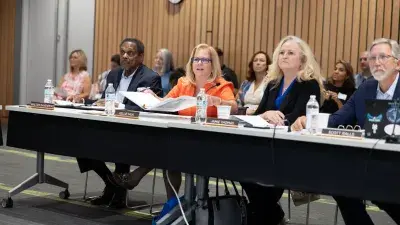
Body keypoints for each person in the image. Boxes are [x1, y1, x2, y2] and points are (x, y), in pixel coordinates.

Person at [292, 38, 400, 225]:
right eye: (373, 58)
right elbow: (337, 119)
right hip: (371, 163)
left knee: (386, 194)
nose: (376, 62)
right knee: (340, 183)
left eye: (383, 57)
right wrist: (309, 120)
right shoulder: (366, 88)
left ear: (397, 63)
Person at [113, 44, 238, 200]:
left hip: (208, 141)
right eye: (196, 59)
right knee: (169, 151)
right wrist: (151, 96)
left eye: (204, 60)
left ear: (212, 64)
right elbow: (164, 102)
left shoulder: (220, 85)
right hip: (183, 138)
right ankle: (171, 203)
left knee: (169, 151)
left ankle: (165, 199)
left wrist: (217, 100)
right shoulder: (183, 83)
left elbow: (234, 107)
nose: (199, 63)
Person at [241, 36, 325, 225]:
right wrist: (265, 115)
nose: (284, 56)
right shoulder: (272, 84)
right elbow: (260, 113)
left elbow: (299, 117)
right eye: (282, 52)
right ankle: (272, 215)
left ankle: (266, 215)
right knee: (242, 171)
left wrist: (277, 119)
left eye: (290, 53)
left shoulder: (309, 84)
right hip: (264, 146)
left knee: (262, 195)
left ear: (302, 60)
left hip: (290, 150)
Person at [76, 38, 161, 208]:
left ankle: (117, 192)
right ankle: (112, 183)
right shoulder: (113, 74)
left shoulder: (151, 78)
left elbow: (149, 109)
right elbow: (104, 100)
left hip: (135, 132)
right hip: (108, 126)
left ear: (140, 56)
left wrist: (119, 106)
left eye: (130, 53)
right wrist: (88, 103)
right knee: (80, 141)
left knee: (119, 141)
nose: (125, 56)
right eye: (122, 52)